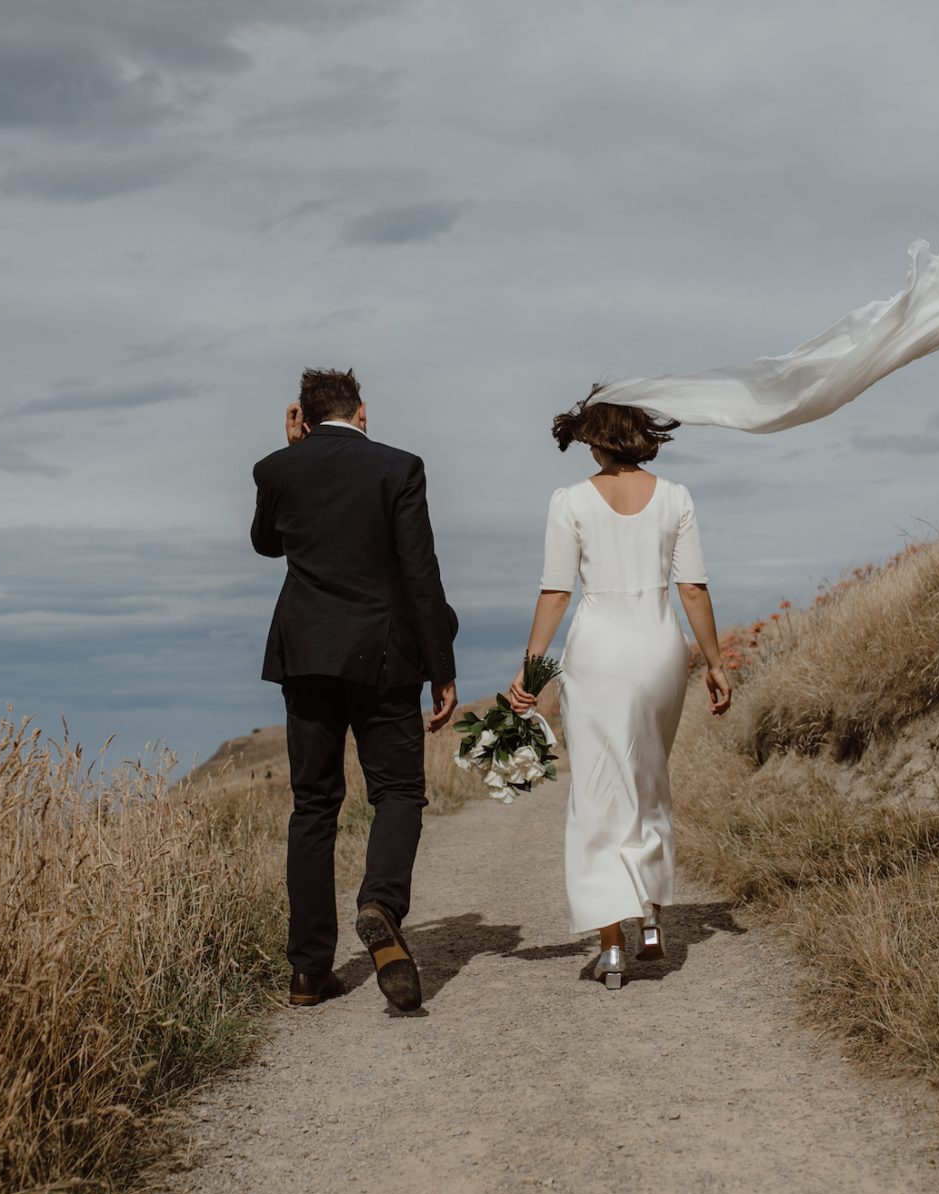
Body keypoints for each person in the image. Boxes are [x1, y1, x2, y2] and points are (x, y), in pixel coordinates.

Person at [251, 368, 459, 1012]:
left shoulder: (276, 469)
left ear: (304, 417)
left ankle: (309, 972)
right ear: (362, 412)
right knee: (397, 792)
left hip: (305, 654)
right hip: (383, 656)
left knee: (313, 806)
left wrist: (291, 454)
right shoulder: (398, 468)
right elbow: (418, 571)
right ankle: (381, 903)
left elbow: (265, 544)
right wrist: (441, 666)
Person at [507, 394, 732, 990]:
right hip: (661, 642)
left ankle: (611, 946)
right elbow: (693, 589)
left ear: (596, 440)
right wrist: (714, 662)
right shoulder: (677, 498)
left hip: (599, 646)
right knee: (649, 777)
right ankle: (653, 915)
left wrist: (531, 670)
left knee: (600, 791)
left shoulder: (571, 502)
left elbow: (556, 593)